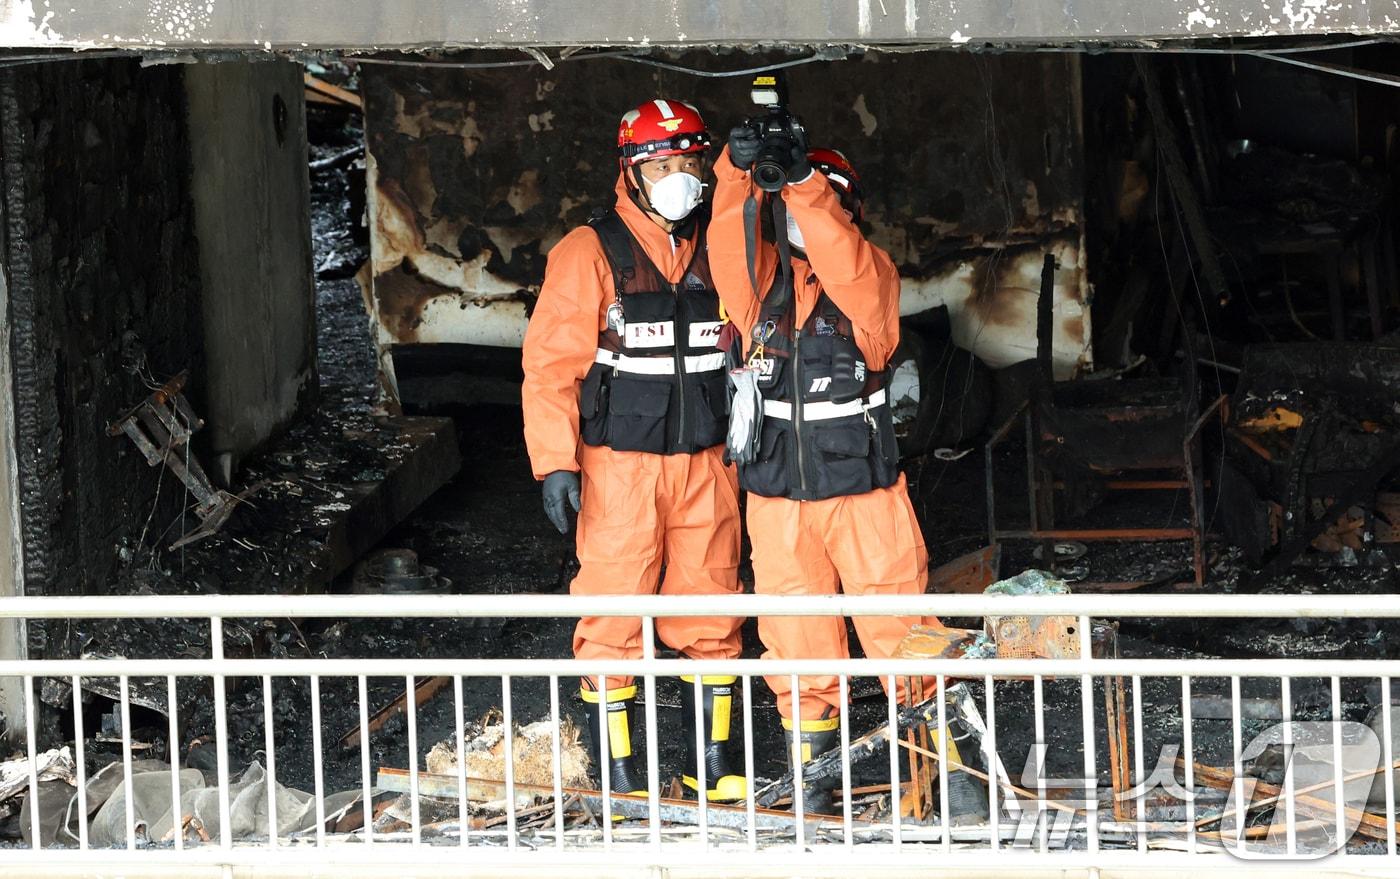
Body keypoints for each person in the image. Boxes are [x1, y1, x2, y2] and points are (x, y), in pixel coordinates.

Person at [521, 99, 746, 802]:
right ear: (632, 172)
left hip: (707, 464)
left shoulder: (725, 247)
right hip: (618, 469)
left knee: (713, 615)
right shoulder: (588, 251)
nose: (682, 177)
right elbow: (551, 366)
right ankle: (618, 785)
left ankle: (716, 778)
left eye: (691, 163)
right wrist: (555, 462)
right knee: (613, 618)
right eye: (664, 164)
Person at [709, 131, 937, 812]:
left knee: (904, 638)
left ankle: (947, 782)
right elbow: (727, 245)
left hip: (863, 494)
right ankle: (814, 795)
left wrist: (808, 186)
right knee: (798, 649)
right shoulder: (760, 294)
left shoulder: (872, 282)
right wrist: (736, 173)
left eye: (829, 208)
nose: (812, 221)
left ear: (847, 214)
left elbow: (847, 265)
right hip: (778, 499)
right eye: (802, 207)